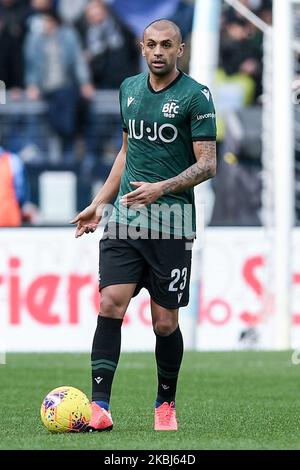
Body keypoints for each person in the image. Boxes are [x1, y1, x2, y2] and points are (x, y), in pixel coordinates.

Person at [71, 19, 217, 432]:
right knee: (109, 303)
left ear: (179, 50)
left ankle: (165, 404)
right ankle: (100, 407)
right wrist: (98, 203)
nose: (157, 51)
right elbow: (125, 153)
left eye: (166, 45)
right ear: (141, 47)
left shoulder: (196, 96)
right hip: (126, 219)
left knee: (164, 323)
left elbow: (207, 163)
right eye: (151, 44)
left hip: (172, 221)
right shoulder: (128, 89)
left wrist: (161, 189)